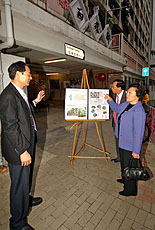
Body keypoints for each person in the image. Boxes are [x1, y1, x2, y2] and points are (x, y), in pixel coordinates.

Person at [0, 61, 45, 230]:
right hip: (19, 150)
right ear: (18, 74)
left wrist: (35, 102)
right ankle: (18, 224)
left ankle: (25, 200)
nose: (31, 77)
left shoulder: (19, 92)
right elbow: (10, 127)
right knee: (19, 185)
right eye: (28, 74)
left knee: (25, 180)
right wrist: (22, 151)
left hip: (27, 145)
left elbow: (23, 113)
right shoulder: (8, 96)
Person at [105, 83, 146, 196]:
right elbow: (116, 108)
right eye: (127, 92)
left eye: (130, 93)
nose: (127, 94)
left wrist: (136, 151)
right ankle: (125, 177)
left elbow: (139, 133)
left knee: (130, 166)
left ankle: (130, 190)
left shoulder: (139, 111)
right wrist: (109, 99)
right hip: (122, 141)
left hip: (130, 145)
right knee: (124, 164)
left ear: (138, 95)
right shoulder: (126, 104)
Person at [111, 79, 126, 163]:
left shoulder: (127, 97)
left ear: (119, 88)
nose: (112, 88)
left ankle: (125, 158)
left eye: (113, 87)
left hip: (123, 124)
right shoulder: (115, 96)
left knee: (124, 141)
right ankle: (119, 157)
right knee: (117, 140)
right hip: (115, 122)